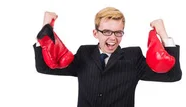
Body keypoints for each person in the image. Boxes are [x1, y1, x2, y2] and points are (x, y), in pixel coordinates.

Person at [33, 7, 182, 107]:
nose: (113, 38)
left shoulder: (133, 57)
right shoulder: (84, 53)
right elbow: (44, 67)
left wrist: (162, 33)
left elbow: (172, 75)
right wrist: (47, 27)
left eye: (118, 32)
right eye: (107, 32)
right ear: (95, 33)